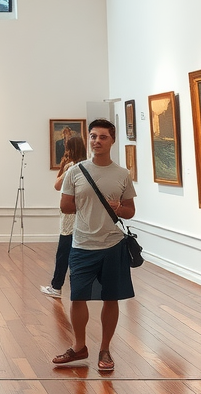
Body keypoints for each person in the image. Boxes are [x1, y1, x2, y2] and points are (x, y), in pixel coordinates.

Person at [53, 118, 136, 373]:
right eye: (93, 136)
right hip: (81, 244)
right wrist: (87, 204)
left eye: (102, 137)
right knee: (78, 297)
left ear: (112, 141)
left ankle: (105, 349)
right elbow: (65, 206)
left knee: (111, 299)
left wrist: (117, 208)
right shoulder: (75, 172)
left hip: (112, 245)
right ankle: (79, 347)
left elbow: (130, 211)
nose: (96, 141)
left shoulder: (122, 174)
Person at [41, 132, 87, 298]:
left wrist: (63, 165)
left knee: (63, 252)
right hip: (83, 215)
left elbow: (56, 185)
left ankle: (56, 286)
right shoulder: (87, 165)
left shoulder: (71, 167)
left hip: (69, 217)